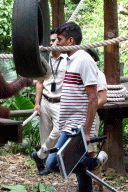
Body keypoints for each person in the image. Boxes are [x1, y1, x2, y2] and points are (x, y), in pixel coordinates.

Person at [45, 22, 108, 192]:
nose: (56, 42)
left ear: (70, 41)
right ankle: (86, 185)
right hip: (68, 124)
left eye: (59, 39)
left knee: (52, 163)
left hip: (77, 126)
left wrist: (86, 131)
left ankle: (94, 162)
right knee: (81, 171)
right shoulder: (70, 59)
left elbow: (94, 98)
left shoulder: (84, 60)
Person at [32, 28, 67, 175]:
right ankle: (47, 165)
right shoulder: (43, 59)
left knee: (58, 132)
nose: (53, 43)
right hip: (45, 100)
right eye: (51, 41)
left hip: (60, 102)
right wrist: (37, 104)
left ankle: (39, 155)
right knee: (45, 135)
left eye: (56, 40)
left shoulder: (68, 59)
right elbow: (39, 83)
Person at [86, 48, 107, 192]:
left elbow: (103, 99)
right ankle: (86, 186)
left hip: (91, 117)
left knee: (91, 153)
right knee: (82, 153)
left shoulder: (98, 75)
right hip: (80, 117)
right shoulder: (82, 73)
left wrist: (89, 110)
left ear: (92, 58)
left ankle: (100, 186)